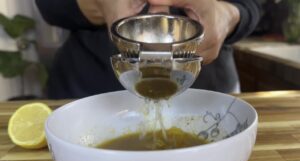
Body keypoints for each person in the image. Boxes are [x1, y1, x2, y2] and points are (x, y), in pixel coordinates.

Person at [35, 0, 261, 99]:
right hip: (88, 89)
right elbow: (48, 4)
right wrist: (100, 3)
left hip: (209, 94)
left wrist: (226, 15)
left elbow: (250, 5)